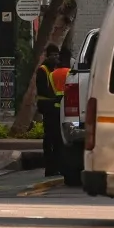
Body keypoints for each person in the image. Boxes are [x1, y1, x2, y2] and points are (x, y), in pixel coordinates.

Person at [36, 46, 63, 176]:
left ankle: (56, 166)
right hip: (47, 107)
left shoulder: (55, 70)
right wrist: (54, 98)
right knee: (50, 138)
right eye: (53, 55)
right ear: (47, 56)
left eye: (57, 55)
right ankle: (49, 167)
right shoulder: (43, 70)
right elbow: (42, 90)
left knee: (57, 138)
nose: (55, 58)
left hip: (55, 107)